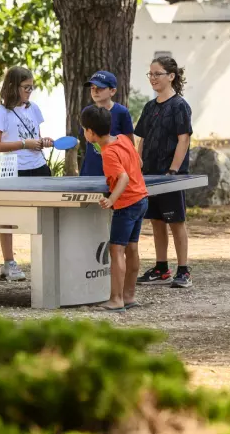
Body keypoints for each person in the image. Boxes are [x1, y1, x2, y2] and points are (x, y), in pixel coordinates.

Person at [80, 105, 148, 312]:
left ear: (90, 132)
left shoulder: (108, 153)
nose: (84, 133)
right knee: (132, 248)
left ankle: (116, 299)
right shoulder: (124, 139)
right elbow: (139, 162)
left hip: (126, 204)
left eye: (84, 129)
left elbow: (123, 178)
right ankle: (129, 296)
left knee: (116, 249)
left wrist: (111, 200)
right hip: (141, 199)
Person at [0, 66, 53, 281]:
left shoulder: (34, 108)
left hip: (39, 166)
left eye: (31, 87)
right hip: (13, 170)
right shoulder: (2, 112)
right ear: (13, 87)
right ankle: (9, 263)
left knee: (46, 214)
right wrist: (25, 144)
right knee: (8, 217)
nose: (29, 91)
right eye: (26, 87)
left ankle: (47, 260)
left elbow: (36, 136)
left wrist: (42, 142)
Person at [134, 56, 194, 289]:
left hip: (171, 175)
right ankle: (161, 268)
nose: (153, 79)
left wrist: (173, 170)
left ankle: (183, 270)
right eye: (150, 74)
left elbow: (184, 139)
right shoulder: (150, 107)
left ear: (171, 76)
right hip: (149, 173)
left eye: (157, 74)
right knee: (156, 221)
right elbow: (143, 139)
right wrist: (139, 164)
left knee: (175, 221)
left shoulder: (179, 106)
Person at [79, 70, 135, 177]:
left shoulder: (122, 112)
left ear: (112, 91)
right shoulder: (87, 111)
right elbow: (86, 138)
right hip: (90, 170)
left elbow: (130, 144)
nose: (95, 91)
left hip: (115, 170)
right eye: (92, 88)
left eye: (100, 88)